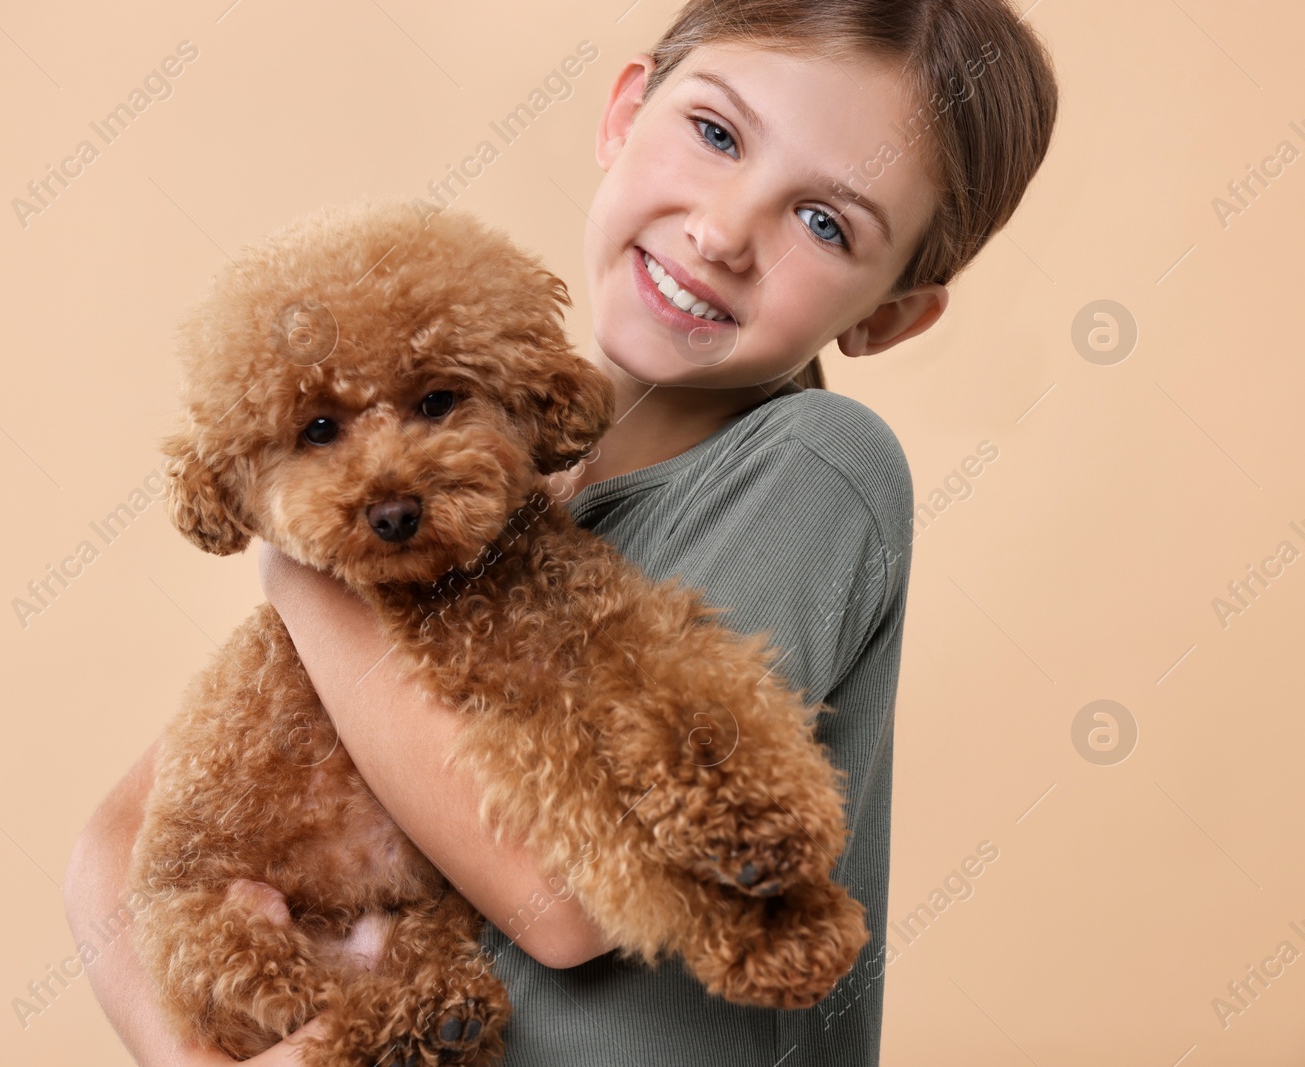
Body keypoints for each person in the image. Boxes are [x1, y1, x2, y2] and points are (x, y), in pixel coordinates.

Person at [63, 1, 1060, 1063]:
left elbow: (565, 898)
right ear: (625, 112)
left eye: (825, 223)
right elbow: (111, 848)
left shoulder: (813, 464)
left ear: (887, 315)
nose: (721, 233)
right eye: (716, 133)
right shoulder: (487, 497)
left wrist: (303, 574)